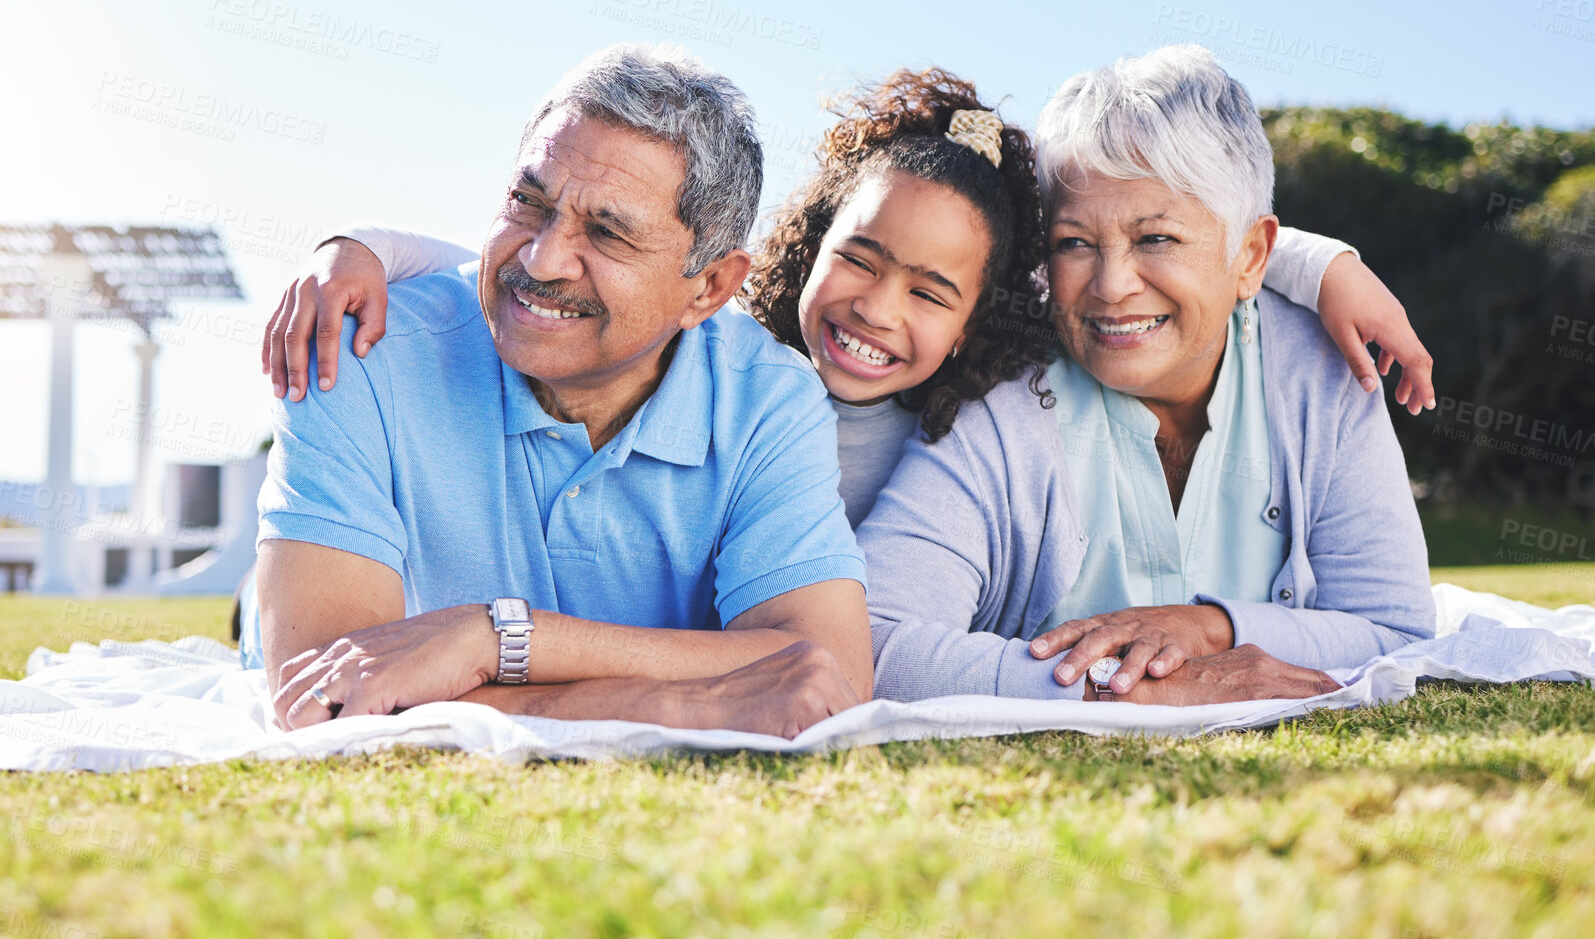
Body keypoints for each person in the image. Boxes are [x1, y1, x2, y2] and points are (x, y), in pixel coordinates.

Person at [263, 69, 1433, 535]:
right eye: (858, 259)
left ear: (980, 314)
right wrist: (357, 247)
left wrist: (1315, 262)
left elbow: (1138, 250)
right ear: (801, 246)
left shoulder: (977, 419)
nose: (877, 309)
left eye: (932, 292)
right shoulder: (712, 350)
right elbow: (559, 270)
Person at [246, 43, 871, 740]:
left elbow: (829, 675)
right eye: (527, 201)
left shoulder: (768, 401)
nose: (541, 258)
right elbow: (325, 700)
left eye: (607, 233)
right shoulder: (363, 345)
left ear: (710, 287)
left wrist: (492, 639)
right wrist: (675, 705)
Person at [857, 45, 1437, 705]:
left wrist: (1212, 630)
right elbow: (865, 641)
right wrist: (1123, 690)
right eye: (1074, 242)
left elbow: (1395, 630)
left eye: (1155, 239)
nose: (1109, 287)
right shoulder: (999, 390)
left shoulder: (1319, 368)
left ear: (1250, 256)